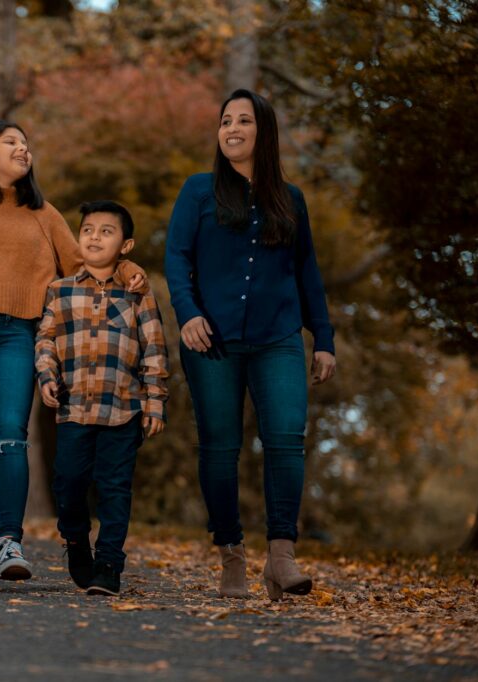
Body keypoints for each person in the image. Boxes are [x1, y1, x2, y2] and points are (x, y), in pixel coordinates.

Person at [0, 120, 146, 587]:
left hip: (16, 335)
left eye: (26, 143)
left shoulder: (43, 214)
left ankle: (9, 543)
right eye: (12, 142)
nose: (24, 149)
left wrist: (124, 265)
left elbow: (86, 263)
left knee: (10, 437)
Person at [164, 89, 337, 600]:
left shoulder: (292, 199)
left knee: (286, 439)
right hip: (210, 340)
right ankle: (232, 556)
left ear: (264, 132)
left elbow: (307, 272)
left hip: (278, 338)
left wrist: (322, 338)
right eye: (224, 121)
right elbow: (176, 258)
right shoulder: (198, 191)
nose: (231, 128)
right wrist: (188, 313)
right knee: (220, 448)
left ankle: (281, 557)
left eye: (243, 120)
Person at [36, 200, 168, 596]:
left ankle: (109, 564)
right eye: (88, 230)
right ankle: (76, 542)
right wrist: (46, 375)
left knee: (114, 488)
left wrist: (156, 402)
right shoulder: (59, 291)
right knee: (69, 483)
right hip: (74, 408)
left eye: (106, 231)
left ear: (125, 246)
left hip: (123, 409)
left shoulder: (137, 294)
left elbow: (155, 350)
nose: (94, 237)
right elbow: (45, 338)